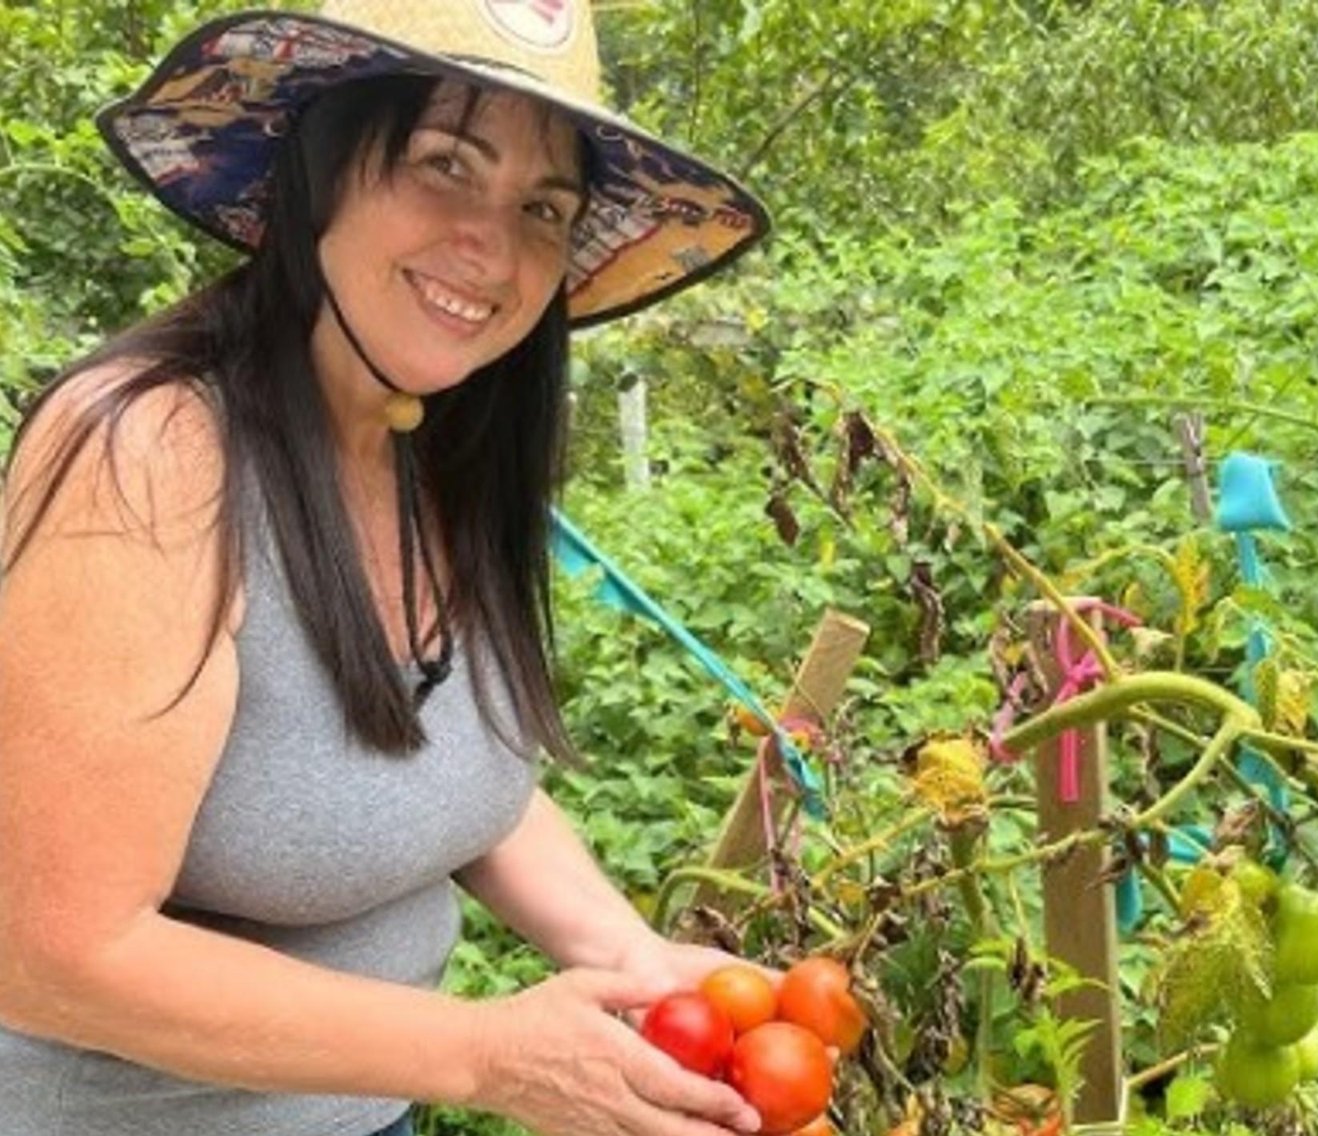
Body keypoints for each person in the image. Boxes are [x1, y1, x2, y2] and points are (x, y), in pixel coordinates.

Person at [0, 1, 772, 1134]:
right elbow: (48, 947)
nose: (493, 246)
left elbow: (441, 776)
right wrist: (484, 1051)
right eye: (442, 164)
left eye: (542, 207)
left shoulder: (425, 445)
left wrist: (636, 960)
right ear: (318, 166)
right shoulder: (151, 452)